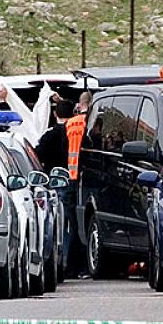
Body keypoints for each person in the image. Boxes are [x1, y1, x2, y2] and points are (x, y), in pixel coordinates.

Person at [63, 91, 92, 278]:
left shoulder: (70, 123)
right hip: (84, 178)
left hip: (69, 177)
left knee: (73, 224)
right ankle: (80, 266)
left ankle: (71, 267)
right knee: (80, 225)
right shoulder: (89, 123)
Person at [36, 99, 74, 172]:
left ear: (55, 114)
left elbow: (38, 156)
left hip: (52, 177)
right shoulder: (79, 134)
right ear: (73, 114)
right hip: (75, 177)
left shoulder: (48, 136)